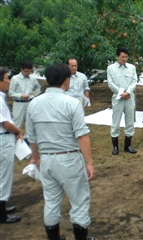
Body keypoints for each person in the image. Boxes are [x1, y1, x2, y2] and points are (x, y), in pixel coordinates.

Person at [26, 63, 95, 240]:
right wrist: (89, 163)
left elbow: (31, 137)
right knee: (79, 201)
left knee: (50, 201)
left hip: (47, 160)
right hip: (69, 158)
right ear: (67, 81)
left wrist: (35, 158)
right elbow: (82, 135)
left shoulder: (34, 103)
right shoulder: (72, 103)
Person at [0, 67, 22, 224]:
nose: (8, 81)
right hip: (3, 139)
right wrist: (17, 130)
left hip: (4, 137)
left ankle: (3, 206)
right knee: (4, 177)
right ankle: (2, 214)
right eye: (6, 78)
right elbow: (5, 123)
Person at [107, 47, 138, 155]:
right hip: (118, 97)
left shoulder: (132, 68)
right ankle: (115, 146)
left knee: (130, 120)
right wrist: (121, 93)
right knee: (116, 121)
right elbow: (110, 83)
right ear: (117, 57)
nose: (124, 59)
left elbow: (134, 81)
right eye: (122, 57)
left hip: (129, 97)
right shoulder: (111, 68)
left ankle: (128, 145)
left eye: (126, 57)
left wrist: (128, 92)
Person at [8, 61, 41, 141]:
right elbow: (11, 93)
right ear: (21, 69)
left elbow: (38, 88)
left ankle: (27, 142)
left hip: (29, 102)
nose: (27, 73)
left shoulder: (32, 79)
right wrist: (20, 96)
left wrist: (33, 95)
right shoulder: (15, 79)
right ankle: (14, 141)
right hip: (19, 103)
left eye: (29, 71)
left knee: (29, 123)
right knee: (17, 123)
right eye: (26, 71)